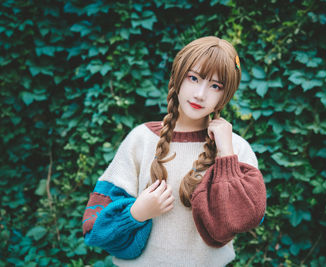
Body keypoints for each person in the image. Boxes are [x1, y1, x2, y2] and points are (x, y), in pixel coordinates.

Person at [82, 36, 266, 266]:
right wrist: (135, 214)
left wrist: (227, 155)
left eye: (215, 85)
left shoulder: (236, 148)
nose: (200, 93)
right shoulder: (141, 140)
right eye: (193, 78)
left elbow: (247, 217)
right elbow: (94, 229)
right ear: (178, 77)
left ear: (225, 95)